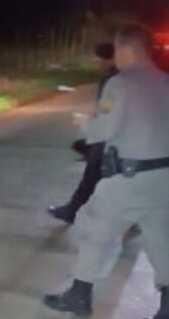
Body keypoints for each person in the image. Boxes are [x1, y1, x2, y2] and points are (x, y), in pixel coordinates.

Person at [44, 24, 169, 319]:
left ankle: (80, 294)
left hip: (128, 177)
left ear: (126, 50)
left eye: (116, 50)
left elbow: (105, 130)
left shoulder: (120, 84)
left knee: (93, 228)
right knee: (162, 240)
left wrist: (86, 124)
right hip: (164, 181)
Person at [47, 42, 118, 223]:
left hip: (111, 135)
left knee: (93, 174)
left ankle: (72, 210)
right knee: (103, 176)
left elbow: (110, 106)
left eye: (99, 59)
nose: (97, 63)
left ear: (109, 59)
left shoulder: (114, 78)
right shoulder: (113, 76)